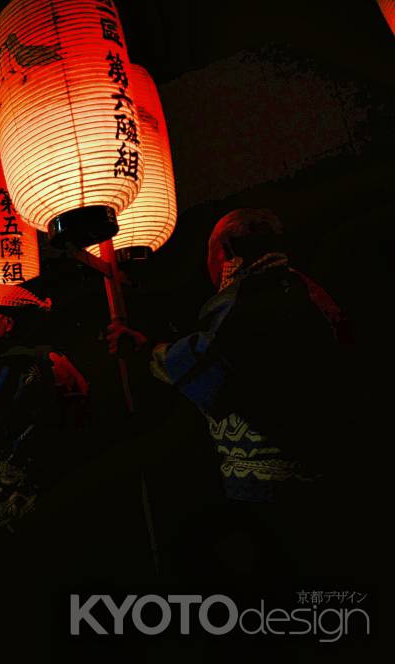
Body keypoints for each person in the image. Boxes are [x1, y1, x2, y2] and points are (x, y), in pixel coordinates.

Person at [107, 207, 352, 579]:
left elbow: (211, 366)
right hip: (329, 468)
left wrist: (146, 352)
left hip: (275, 485)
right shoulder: (301, 285)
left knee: (282, 581)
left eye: (209, 252)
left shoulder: (245, 298)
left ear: (223, 251)